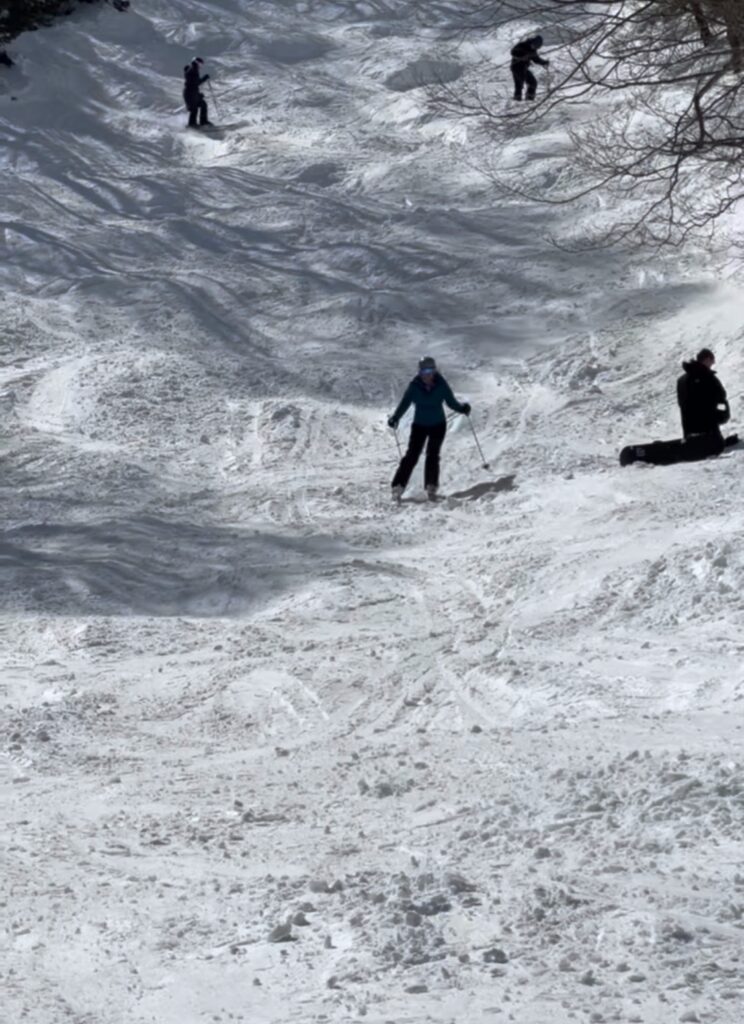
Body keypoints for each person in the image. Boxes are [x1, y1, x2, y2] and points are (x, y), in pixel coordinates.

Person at [388, 356, 471, 502]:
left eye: (430, 370)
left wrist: (462, 408)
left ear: (434, 370)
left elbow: (451, 402)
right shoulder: (414, 386)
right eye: (424, 371)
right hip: (419, 425)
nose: (427, 374)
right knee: (412, 455)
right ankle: (398, 486)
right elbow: (405, 403)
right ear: (419, 372)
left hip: (438, 425)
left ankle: (431, 486)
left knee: (432, 455)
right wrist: (396, 417)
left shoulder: (441, 385)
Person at [677, 348, 730, 440]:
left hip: (689, 431)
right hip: (709, 432)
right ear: (707, 359)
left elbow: (682, 403)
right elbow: (720, 397)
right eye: (712, 360)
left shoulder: (682, 380)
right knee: (713, 447)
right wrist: (723, 416)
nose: (713, 363)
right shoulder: (708, 378)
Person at [510, 35, 549, 101]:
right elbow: (513, 52)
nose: (534, 47)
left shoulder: (533, 50)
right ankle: (517, 101)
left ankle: (529, 100)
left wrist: (544, 62)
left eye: (537, 47)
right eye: (534, 45)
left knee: (532, 83)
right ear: (532, 42)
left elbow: (536, 59)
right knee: (519, 85)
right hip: (516, 67)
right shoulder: (522, 45)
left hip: (524, 68)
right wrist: (522, 55)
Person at [183, 57, 212, 129]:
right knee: (194, 108)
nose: (200, 66)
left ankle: (203, 122)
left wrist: (198, 95)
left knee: (203, 104)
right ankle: (192, 124)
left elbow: (194, 84)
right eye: (200, 64)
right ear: (197, 63)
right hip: (190, 94)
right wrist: (205, 78)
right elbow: (196, 83)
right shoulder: (193, 71)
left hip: (192, 93)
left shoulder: (193, 70)